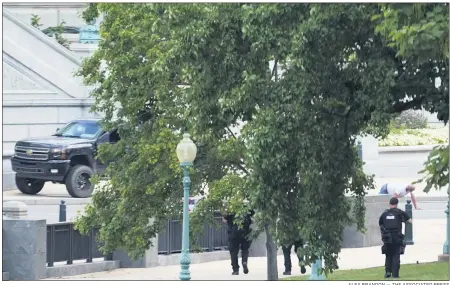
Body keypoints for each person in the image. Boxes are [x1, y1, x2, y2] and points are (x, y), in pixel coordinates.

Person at [378, 197, 412, 278]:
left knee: (388, 255)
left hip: (387, 238)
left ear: (389, 204)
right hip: (397, 237)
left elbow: (380, 223)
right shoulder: (400, 212)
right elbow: (410, 221)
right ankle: (395, 274)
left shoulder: (384, 213)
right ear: (397, 204)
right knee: (396, 255)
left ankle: (387, 272)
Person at [223, 210, 255, 275]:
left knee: (233, 252)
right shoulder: (246, 207)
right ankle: (244, 261)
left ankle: (235, 270)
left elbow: (225, 219)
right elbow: (252, 213)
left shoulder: (231, 208)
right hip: (245, 232)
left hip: (233, 233)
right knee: (245, 249)